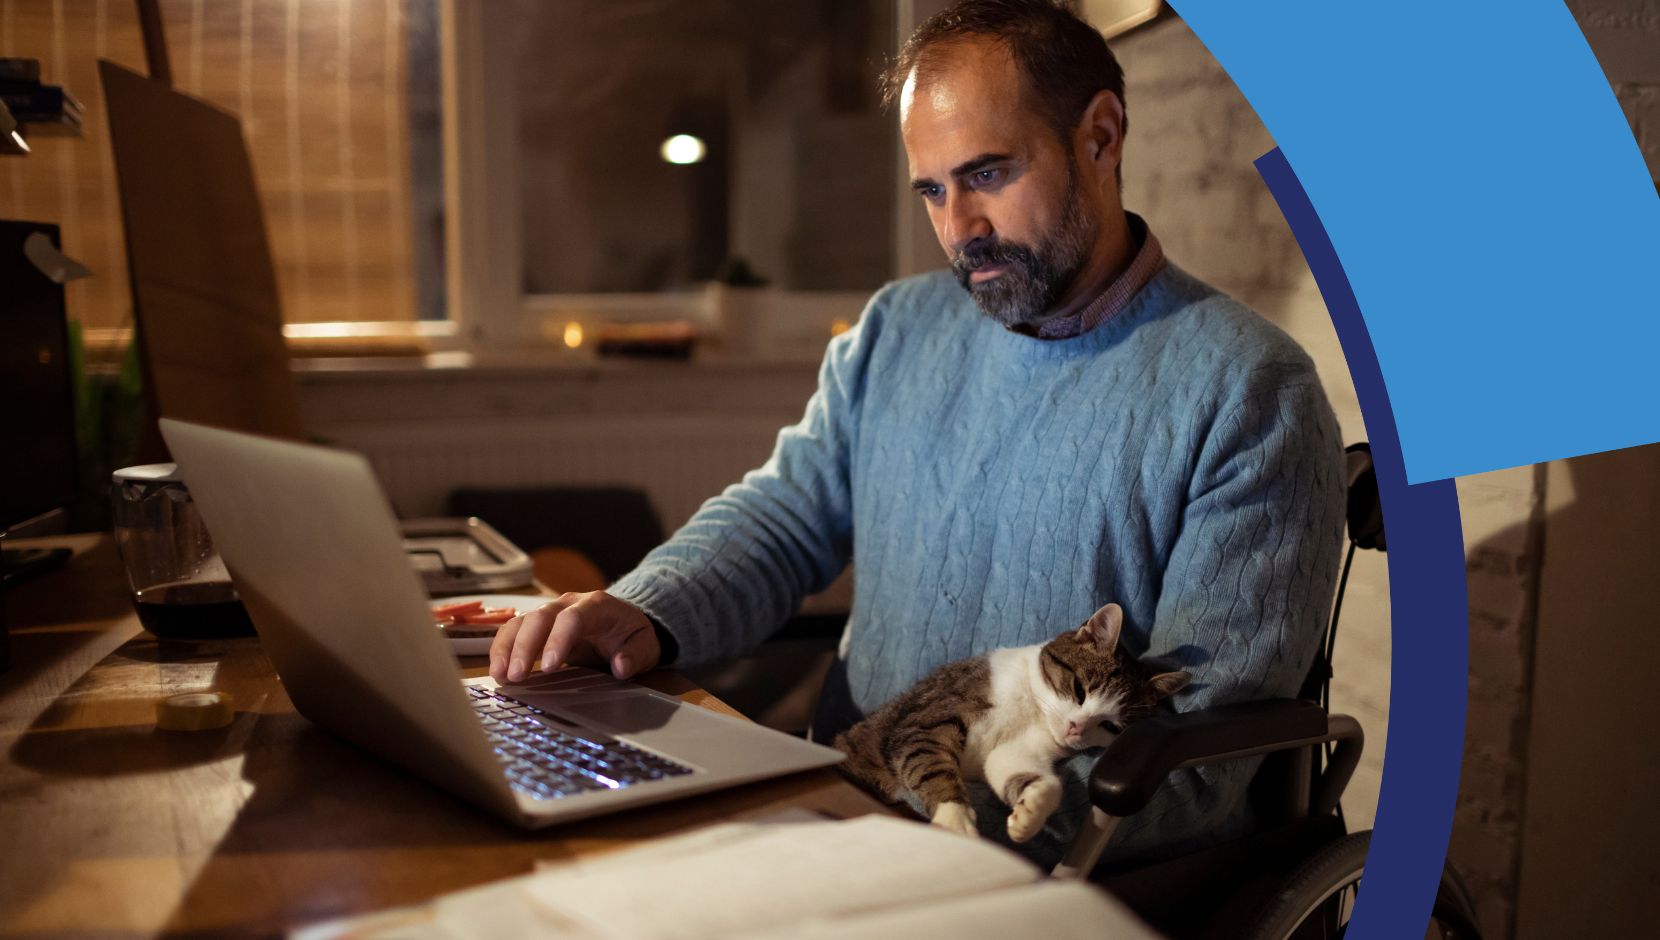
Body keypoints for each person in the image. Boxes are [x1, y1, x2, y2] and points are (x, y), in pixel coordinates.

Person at [491, 0, 1345, 867]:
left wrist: (935, 832)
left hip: (1029, 868)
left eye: (988, 174)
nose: (958, 229)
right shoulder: (896, 328)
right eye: (932, 189)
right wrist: (639, 611)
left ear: (1101, 136)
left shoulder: (1250, 390)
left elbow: (1197, 760)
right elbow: (783, 522)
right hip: (841, 800)